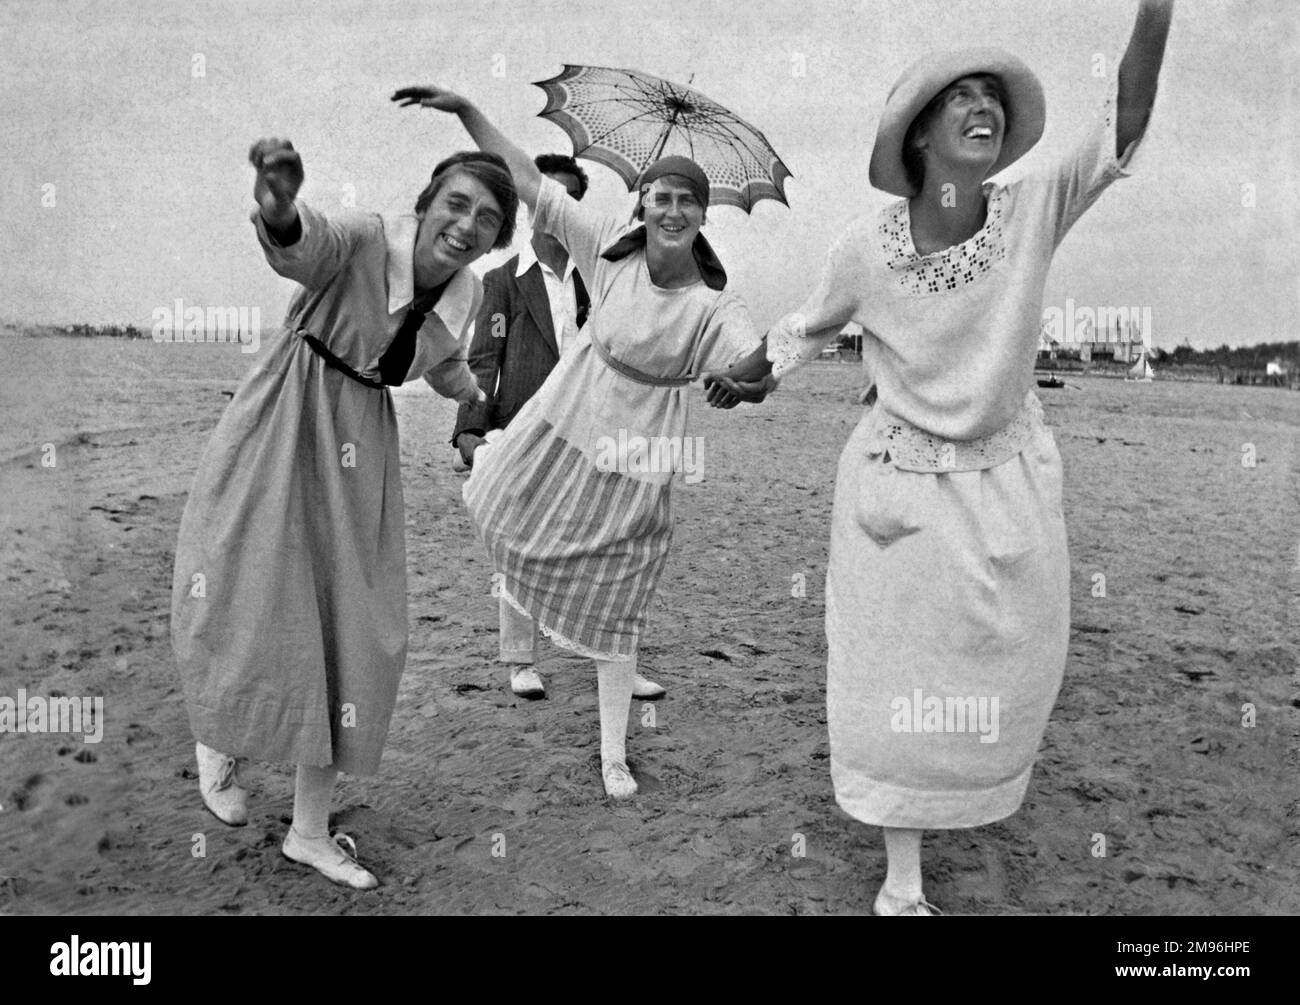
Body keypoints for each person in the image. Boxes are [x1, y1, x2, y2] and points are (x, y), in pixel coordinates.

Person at [709, 2, 1173, 913]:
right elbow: (805, 324)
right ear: (918, 138)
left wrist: (1155, 8)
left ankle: (969, 799)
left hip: (1008, 480)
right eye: (958, 97)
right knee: (894, 672)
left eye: (991, 98)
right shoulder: (864, 248)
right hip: (897, 485)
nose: (982, 108)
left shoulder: (1034, 207)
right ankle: (903, 878)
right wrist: (753, 374)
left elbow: (1123, 118)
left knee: (1010, 665)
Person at [392, 84, 767, 799]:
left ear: (703, 215)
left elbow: (753, 361)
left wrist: (743, 383)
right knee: (523, 530)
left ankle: (614, 752)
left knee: (622, 602)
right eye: (661, 196)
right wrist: (469, 111)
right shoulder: (606, 254)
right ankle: (521, 656)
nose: (673, 209)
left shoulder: (716, 303)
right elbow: (529, 184)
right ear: (643, 204)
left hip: (640, 460)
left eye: (688, 201)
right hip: (563, 433)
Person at [171, 136, 517, 889]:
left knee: (354, 629)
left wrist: (473, 397)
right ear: (425, 205)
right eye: (455, 203)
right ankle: (219, 737)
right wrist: (281, 207)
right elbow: (303, 248)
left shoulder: (468, 293)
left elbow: (439, 357)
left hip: (363, 440)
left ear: (498, 238)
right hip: (287, 412)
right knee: (246, 586)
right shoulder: (363, 236)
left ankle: (308, 830)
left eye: (487, 218)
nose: (466, 223)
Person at [449, 152, 666, 702]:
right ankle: (521, 660)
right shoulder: (503, 281)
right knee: (519, 544)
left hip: (592, 429)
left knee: (605, 546)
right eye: (547, 197)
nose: (554, 209)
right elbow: (483, 359)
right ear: (529, 207)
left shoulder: (599, 275)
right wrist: (471, 430)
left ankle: (616, 661)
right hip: (523, 429)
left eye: (567, 198)